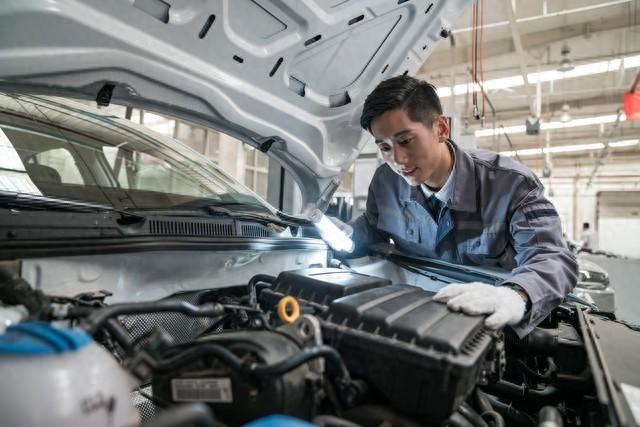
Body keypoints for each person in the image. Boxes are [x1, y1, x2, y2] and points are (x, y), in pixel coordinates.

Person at [344, 76, 577, 337]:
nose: (397, 159)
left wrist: (515, 295)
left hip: (491, 325)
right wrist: (342, 234)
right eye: (384, 147)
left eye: (406, 140)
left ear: (441, 128)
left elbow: (551, 257)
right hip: (415, 318)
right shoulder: (386, 183)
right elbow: (374, 227)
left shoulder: (510, 184)